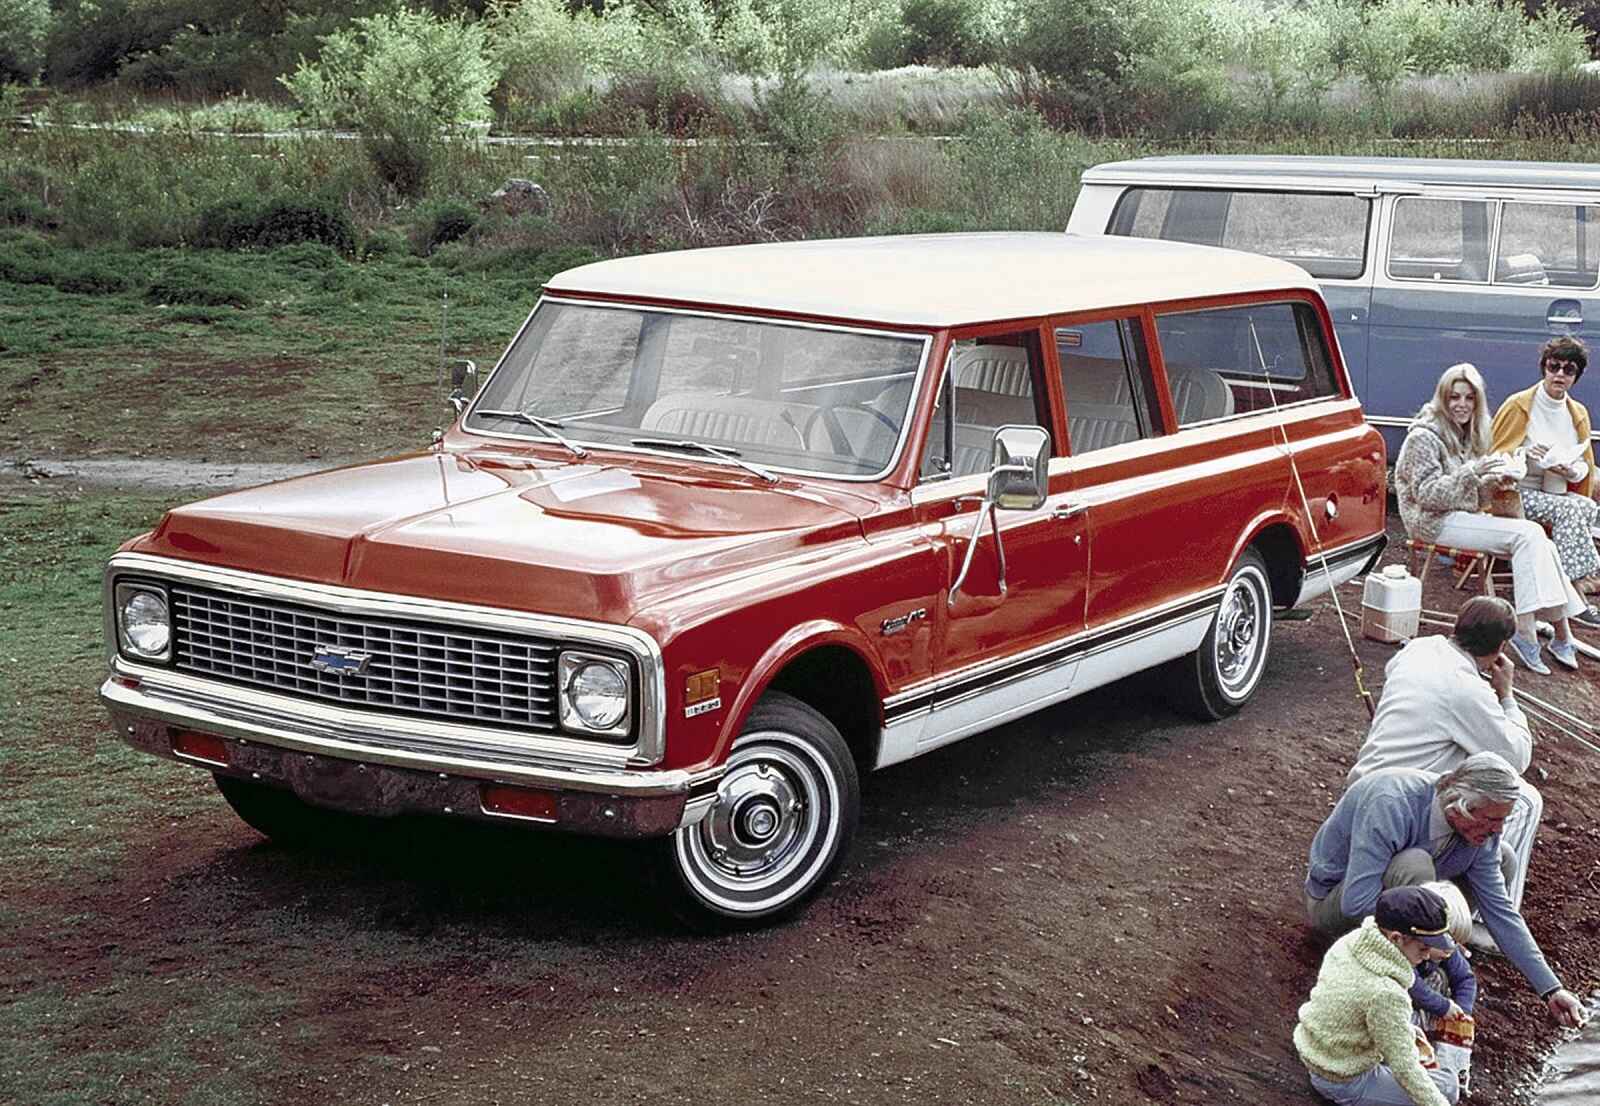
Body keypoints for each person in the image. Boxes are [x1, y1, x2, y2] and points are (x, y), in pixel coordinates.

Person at [1303, 751, 1589, 1029]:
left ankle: (1429, 949)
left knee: (1504, 857)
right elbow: (1356, 902)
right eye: (1493, 819)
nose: (1499, 829)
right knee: (1415, 864)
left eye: (1504, 820)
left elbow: (1500, 912)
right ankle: (1417, 973)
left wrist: (1551, 989)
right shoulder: (1391, 802)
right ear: (1460, 806)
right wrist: (1435, 936)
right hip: (1337, 906)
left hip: (1406, 903)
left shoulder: (1481, 830)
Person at [1394, 361, 1595, 674]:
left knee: (1541, 541)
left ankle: (1561, 634)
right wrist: (1473, 472)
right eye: (1454, 397)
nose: (1461, 405)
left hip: (1461, 515)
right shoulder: (1424, 437)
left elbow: (1475, 496)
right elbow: (1428, 495)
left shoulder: (1469, 433)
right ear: (1442, 398)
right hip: (1431, 522)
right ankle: (1526, 630)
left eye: (1469, 398)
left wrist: (1499, 480)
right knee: (1528, 533)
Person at [1346, 596, 1542, 911]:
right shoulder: (1467, 689)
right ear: (1501, 647)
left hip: (1361, 790)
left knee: (1468, 760)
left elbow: (1398, 674)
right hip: (1401, 807)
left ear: (1458, 625)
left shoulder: (1417, 648)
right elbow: (1516, 758)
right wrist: (1506, 695)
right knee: (1524, 800)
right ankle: (1485, 914)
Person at [1294, 885, 1462, 1106]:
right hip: (1342, 1079)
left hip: (1318, 1050)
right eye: (1423, 948)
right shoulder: (1386, 993)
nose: (1428, 956)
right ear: (1396, 938)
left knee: (1410, 1033)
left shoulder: (1352, 941)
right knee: (1448, 1087)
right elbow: (1405, 1069)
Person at [1490, 335, 1600, 595]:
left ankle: (1558, 575)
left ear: (1576, 376)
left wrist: (1568, 470)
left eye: (1568, 370)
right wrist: (1525, 456)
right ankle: (1573, 588)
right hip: (1515, 494)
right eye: (1554, 367)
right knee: (1567, 510)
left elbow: (1584, 465)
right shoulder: (1519, 405)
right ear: (1544, 368)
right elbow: (1495, 457)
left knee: (1586, 506)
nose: (1559, 375)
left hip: (1554, 489)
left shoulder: (1577, 412)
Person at [1410, 881, 1476, 1029]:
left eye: (1456, 942)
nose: (1451, 948)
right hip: (1395, 999)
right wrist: (1444, 1007)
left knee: (1441, 976)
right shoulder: (1406, 948)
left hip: (1423, 1000)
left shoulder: (1448, 950)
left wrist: (1463, 1012)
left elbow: (1465, 978)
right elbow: (1411, 982)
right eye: (1447, 940)